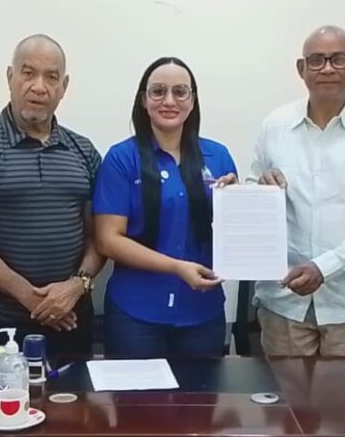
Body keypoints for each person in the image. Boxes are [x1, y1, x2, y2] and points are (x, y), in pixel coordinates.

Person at [0, 34, 104, 355]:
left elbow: (99, 235)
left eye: (51, 77)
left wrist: (77, 285)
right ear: (10, 77)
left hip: (73, 319)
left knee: (76, 391)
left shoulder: (84, 150)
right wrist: (32, 298)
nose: (39, 87)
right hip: (0, 325)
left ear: (64, 86)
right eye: (28, 73)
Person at [250, 26, 345, 356]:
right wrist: (260, 187)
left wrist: (325, 267)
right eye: (317, 60)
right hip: (282, 304)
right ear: (301, 68)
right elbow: (252, 195)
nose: (328, 68)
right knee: (283, 392)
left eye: (338, 59)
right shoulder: (275, 126)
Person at [93, 56, 237, 358]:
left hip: (202, 313)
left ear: (192, 101)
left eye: (180, 92)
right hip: (136, 315)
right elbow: (108, 240)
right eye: (158, 91)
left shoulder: (219, 156)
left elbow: (234, 235)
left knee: (200, 391)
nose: (169, 101)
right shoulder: (121, 158)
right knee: (136, 392)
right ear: (143, 100)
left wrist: (244, 199)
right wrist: (177, 267)